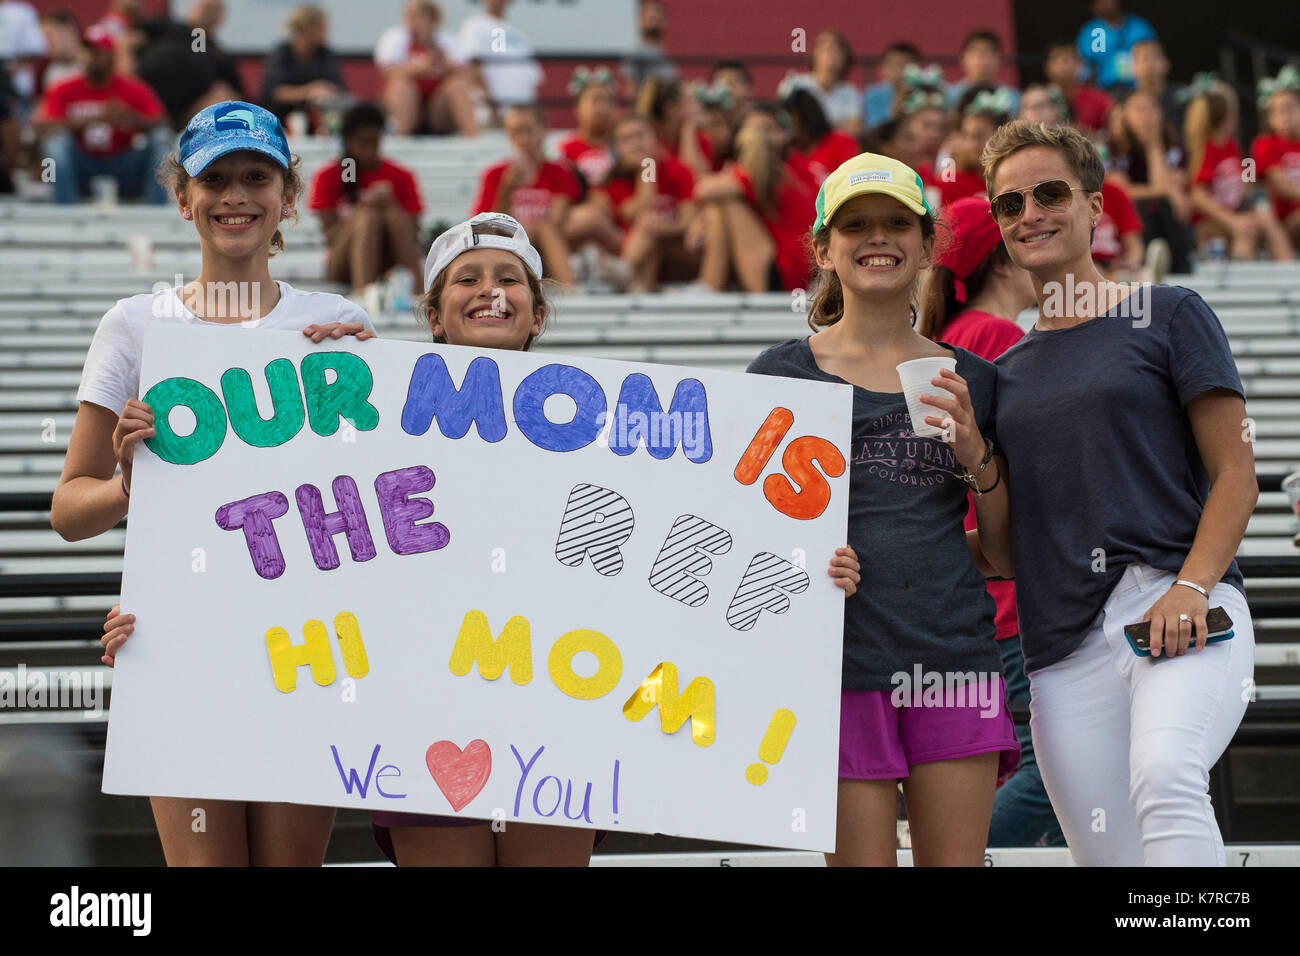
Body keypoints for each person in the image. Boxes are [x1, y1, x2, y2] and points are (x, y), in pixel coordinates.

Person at [61, 101, 376, 866]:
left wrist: (369, 371)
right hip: (181, 646)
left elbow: (375, 498)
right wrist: (133, 487)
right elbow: (72, 509)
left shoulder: (334, 322)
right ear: (183, 200)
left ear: (288, 200)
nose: (235, 195)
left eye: (256, 177)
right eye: (215, 180)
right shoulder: (135, 324)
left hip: (311, 647)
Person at [982, 119, 1257, 866]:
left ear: (1096, 207)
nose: (1029, 214)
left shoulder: (1170, 313)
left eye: (1048, 193)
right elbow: (1006, 554)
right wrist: (975, 467)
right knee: (1115, 861)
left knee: (1167, 777)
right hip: (1064, 652)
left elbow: (1238, 475)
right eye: (1009, 204)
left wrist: (1192, 588)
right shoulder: (1005, 375)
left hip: (1183, 605)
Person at [745, 153, 1018, 866]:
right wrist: (805, 564)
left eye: (898, 223)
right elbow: (743, 540)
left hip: (954, 658)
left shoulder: (978, 381)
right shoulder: (778, 377)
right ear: (823, 250)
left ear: (928, 245)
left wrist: (975, 454)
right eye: (856, 224)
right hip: (832, 665)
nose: (879, 237)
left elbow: (1005, 555)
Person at [918, 196, 1064, 848]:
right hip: (1010, 600)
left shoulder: (951, 342)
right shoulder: (1001, 340)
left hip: (975, 599)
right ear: (1003, 261)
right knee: (1047, 778)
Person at [35, 25, 168, 204]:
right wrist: (95, 119)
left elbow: (165, 124)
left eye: (98, 52)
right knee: (55, 141)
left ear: (111, 57)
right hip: (81, 166)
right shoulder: (63, 88)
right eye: (87, 51)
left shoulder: (133, 88)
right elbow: (44, 126)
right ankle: (64, 210)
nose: (91, 57)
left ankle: (156, 212)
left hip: (124, 164)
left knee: (161, 138)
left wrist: (132, 119)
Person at [308, 101, 425, 298]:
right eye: (363, 143)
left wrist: (391, 205)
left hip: (391, 259)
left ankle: (418, 294)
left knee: (388, 210)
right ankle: (364, 294)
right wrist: (363, 208)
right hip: (343, 265)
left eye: (375, 142)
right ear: (347, 140)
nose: (369, 151)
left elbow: (412, 234)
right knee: (369, 214)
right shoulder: (331, 175)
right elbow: (330, 238)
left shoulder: (400, 175)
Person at [693, 108, 815, 293]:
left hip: (784, 276)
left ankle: (709, 286)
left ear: (781, 134)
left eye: (765, 129)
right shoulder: (794, 165)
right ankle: (709, 287)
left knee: (723, 204)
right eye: (752, 130)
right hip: (796, 273)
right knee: (721, 203)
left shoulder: (767, 170)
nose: (758, 137)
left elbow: (701, 190)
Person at [1184, 77, 1293, 262]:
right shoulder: (1207, 147)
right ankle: (1244, 279)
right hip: (1210, 223)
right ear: (1227, 114)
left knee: (1265, 217)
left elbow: (1245, 180)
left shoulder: (1231, 145)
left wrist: (1254, 194)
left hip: (1234, 216)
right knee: (1246, 230)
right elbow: (1198, 195)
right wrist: (1231, 221)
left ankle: (1289, 269)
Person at [471, 102, 579, 286]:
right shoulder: (496, 175)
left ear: (543, 130)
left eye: (528, 131)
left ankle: (569, 290)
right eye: (516, 132)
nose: (523, 139)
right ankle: (570, 290)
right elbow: (485, 227)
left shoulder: (560, 173)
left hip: (548, 248)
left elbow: (558, 221)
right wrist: (506, 189)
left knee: (545, 230)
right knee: (536, 230)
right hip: (508, 247)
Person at [596, 112, 698, 292]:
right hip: (640, 253)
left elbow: (686, 222)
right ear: (617, 148)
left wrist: (658, 228)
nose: (636, 144)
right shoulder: (615, 181)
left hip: (677, 251)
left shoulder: (679, 170)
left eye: (640, 135)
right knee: (647, 229)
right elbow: (637, 212)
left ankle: (625, 269)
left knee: (648, 225)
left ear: (655, 138)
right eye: (627, 139)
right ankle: (636, 287)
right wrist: (647, 167)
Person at [1106, 89, 1194, 274]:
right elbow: (1122, 193)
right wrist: (1167, 191)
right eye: (1139, 109)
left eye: (1152, 109)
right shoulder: (1112, 148)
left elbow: (1168, 187)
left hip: (1166, 221)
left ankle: (1178, 270)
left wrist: (1154, 145)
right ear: (1125, 114)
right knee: (1142, 205)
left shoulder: (1174, 147)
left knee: (1168, 206)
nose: (1146, 116)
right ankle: (1145, 266)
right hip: (1130, 223)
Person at [375, 0, 477, 137]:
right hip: (406, 107)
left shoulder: (449, 41)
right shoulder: (394, 38)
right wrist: (423, 66)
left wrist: (446, 65)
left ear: (433, 20)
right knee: (401, 84)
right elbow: (387, 73)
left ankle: (473, 137)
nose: (412, 21)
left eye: (418, 16)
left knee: (458, 85)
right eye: (408, 16)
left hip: (438, 111)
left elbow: (468, 75)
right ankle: (400, 137)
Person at [261, 4, 346, 131]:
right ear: (307, 28)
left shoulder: (326, 54)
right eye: (321, 27)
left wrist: (326, 92)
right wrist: (309, 92)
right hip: (278, 123)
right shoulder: (281, 53)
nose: (326, 31)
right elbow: (276, 92)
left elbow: (339, 89)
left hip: (318, 125)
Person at [457, 0, 541, 116]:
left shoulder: (521, 37)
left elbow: (532, 80)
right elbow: (472, 66)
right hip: (493, 117)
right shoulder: (475, 26)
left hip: (521, 116)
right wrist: (492, 106)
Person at [937, 86, 1012, 208]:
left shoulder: (1013, 178)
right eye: (966, 135)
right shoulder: (951, 181)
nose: (971, 144)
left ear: (1001, 135)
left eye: (979, 135)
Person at [1251, 69, 1300, 250]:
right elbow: (1281, 185)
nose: (1282, 118)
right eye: (1274, 112)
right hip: (1282, 224)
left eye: (1288, 109)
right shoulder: (1265, 143)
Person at [778, 30, 861, 136]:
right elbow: (785, 122)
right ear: (813, 54)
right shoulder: (794, 84)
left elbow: (853, 130)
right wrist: (836, 124)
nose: (830, 54)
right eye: (825, 49)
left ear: (845, 58)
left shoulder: (851, 92)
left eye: (836, 50)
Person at [1075, 0, 1156, 93]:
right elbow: (1084, 68)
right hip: (1104, 92)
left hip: (1140, 89)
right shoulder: (1091, 32)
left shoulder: (1139, 26)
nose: (1104, 3)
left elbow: (1155, 59)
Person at [784, 87, 859, 184]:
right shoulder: (787, 151)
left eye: (792, 123)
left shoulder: (842, 143)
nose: (787, 131)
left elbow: (850, 183)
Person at [1042, 40, 1111, 135]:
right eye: (1056, 60)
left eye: (1066, 60)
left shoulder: (1099, 100)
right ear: (1047, 67)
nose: (1062, 66)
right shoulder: (1038, 100)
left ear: (1079, 64)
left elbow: (1109, 135)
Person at [946, 30, 1020, 116]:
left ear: (1000, 60)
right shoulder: (948, 97)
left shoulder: (1014, 99)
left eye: (989, 53)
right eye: (976, 52)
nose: (983, 60)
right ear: (962, 59)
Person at [621, 0, 675, 98]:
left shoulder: (666, 56)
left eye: (658, 15)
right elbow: (631, 91)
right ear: (639, 21)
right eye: (650, 17)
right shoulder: (634, 54)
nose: (654, 17)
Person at [1130, 38, 1187, 131]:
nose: (1150, 65)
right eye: (1144, 59)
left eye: (1155, 58)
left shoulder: (1182, 95)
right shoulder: (1126, 103)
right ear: (1133, 68)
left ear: (1167, 64)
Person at [862, 42, 920, 131]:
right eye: (893, 64)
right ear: (883, 69)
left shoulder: (930, 91)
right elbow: (877, 131)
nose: (898, 70)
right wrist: (901, 96)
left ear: (917, 67)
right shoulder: (874, 95)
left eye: (903, 64)